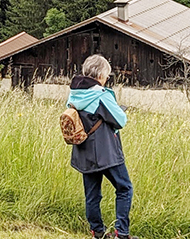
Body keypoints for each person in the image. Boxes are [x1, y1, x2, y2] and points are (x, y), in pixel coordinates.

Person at [67, 54, 135, 239]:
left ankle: (97, 231)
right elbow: (121, 120)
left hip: (84, 152)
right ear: (100, 75)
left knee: (92, 194)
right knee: (124, 188)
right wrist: (117, 109)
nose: (107, 79)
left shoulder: (74, 93)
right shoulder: (100, 95)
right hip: (106, 152)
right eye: (106, 75)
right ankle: (122, 233)